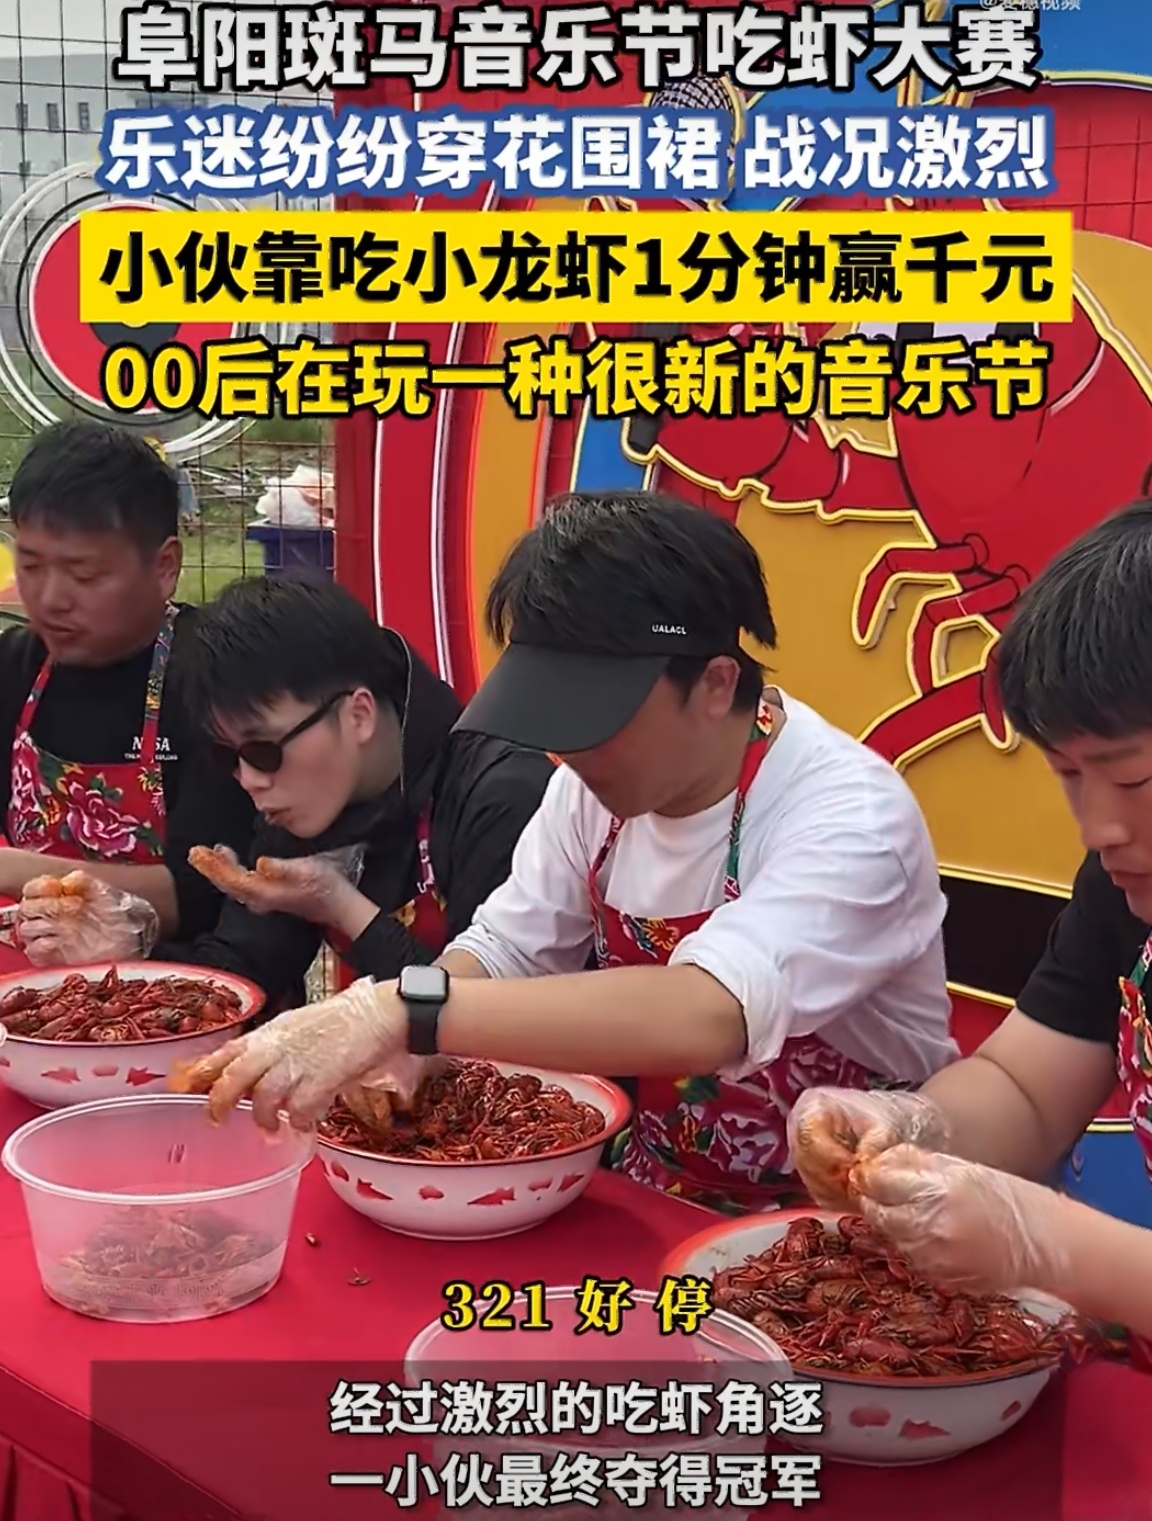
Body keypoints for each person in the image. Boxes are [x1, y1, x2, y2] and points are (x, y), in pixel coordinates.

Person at [178, 491, 958, 1214]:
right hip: (654, 1194)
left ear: (716, 683)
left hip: (857, 1217)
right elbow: (508, 947)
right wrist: (405, 1037)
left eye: (597, 718)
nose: (569, 747)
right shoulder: (591, 790)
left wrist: (397, 1008)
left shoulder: (849, 814)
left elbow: (710, 1012)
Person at [783, 498, 1152, 1346]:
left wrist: (1053, 1244)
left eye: (1132, 779)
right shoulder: (1123, 885)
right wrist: (912, 1127)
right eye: (1068, 775)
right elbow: (1025, 1087)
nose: (1098, 827)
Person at [18, 573, 557, 1007]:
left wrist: (342, 906)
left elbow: (485, 1020)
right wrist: (128, 956)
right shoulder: (299, 804)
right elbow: (240, 977)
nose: (250, 780)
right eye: (227, 757)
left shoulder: (502, 796)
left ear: (359, 714)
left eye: (263, 751)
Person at [0, 421, 253, 938]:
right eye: (31, 566)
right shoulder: (14, 666)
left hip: (185, 976)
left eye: (84, 575)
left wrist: (15, 870)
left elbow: (205, 893)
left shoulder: (218, 682)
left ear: (164, 567)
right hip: (33, 972)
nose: (50, 599)